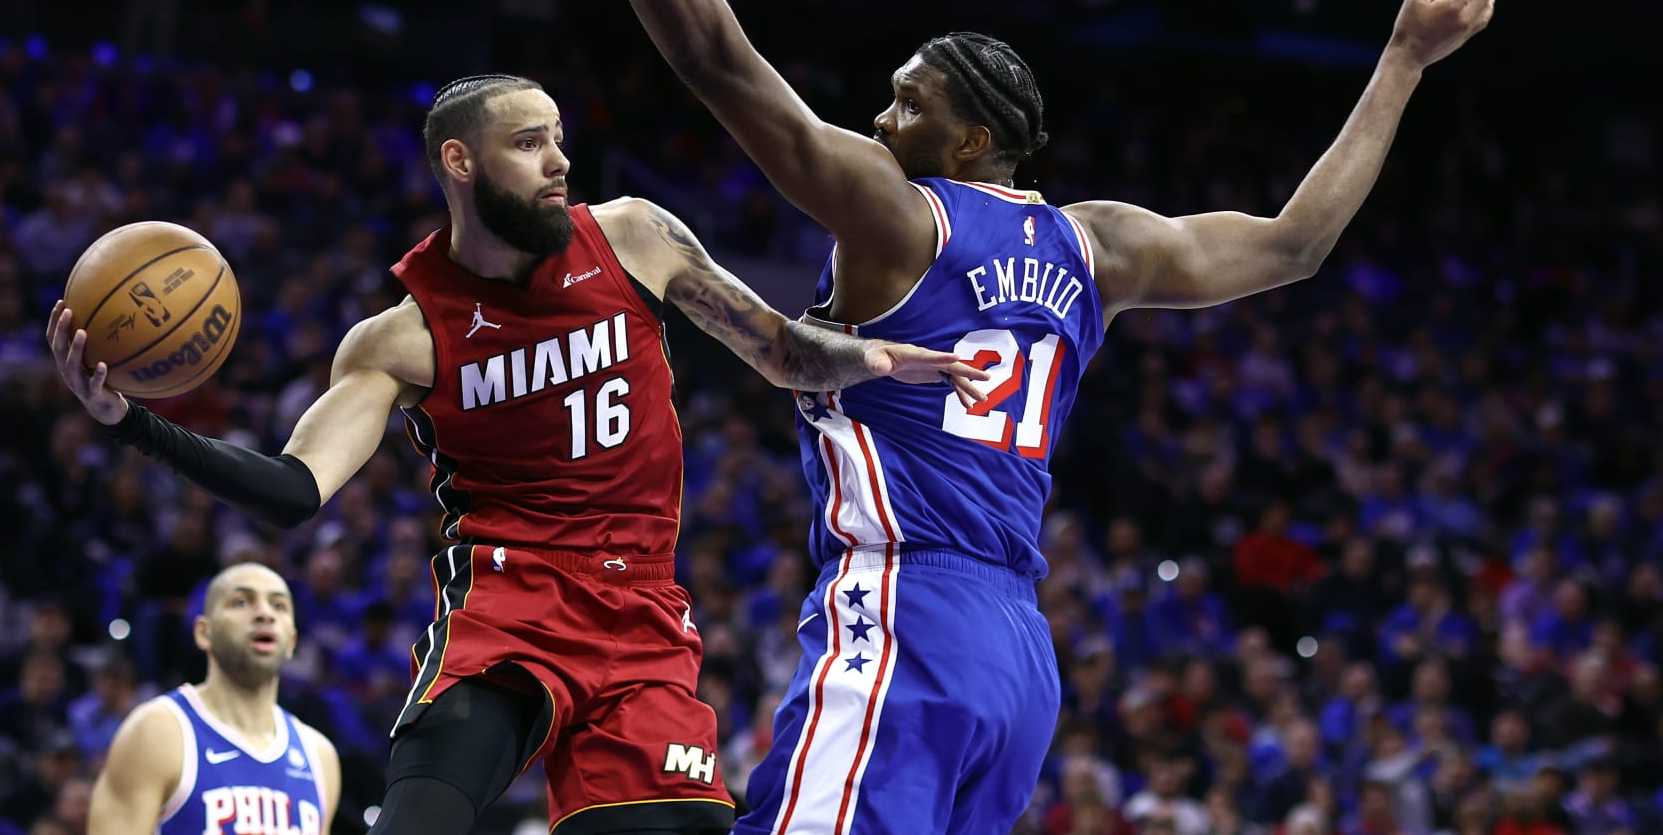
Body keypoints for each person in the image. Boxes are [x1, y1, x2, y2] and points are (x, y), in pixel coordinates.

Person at [547, 0, 1502, 835]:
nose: (880, 122)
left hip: (906, 606)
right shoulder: (1101, 246)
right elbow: (1297, 242)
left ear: (974, 138)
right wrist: (1402, 62)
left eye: (907, 106)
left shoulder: (898, 212)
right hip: (1018, 656)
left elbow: (716, 59)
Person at [48, 73, 985, 835]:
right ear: (460, 161)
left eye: (559, 138)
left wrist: (870, 356)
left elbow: (778, 347)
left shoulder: (632, 236)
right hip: (511, 606)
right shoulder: (402, 338)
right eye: (529, 142)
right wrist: (130, 421)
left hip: (642, 620)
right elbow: (295, 491)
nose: (558, 161)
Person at [87, 562, 339, 835]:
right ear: (204, 632)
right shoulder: (158, 731)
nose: (265, 614)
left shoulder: (319, 756)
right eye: (241, 602)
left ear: (291, 642)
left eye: (279, 606)